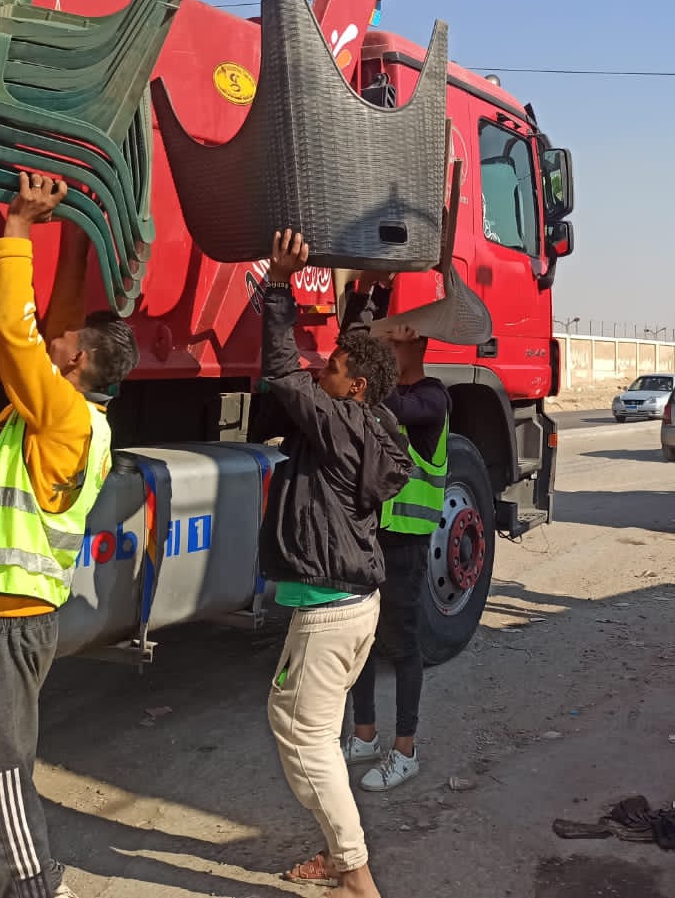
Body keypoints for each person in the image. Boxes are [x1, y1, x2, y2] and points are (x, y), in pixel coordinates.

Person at [0, 172, 139, 898]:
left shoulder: (60, 415)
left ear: (76, 361)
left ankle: (34, 886)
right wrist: (77, 238)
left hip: (7, 617)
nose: (59, 332)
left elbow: (12, 332)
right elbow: (53, 325)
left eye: (68, 338)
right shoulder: (75, 410)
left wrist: (19, 226)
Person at [258, 231, 408, 897]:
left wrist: (279, 285)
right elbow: (346, 358)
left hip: (328, 610)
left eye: (336, 364)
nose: (325, 366)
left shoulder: (338, 423)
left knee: (303, 735)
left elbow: (283, 371)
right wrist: (367, 297)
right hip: (351, 605)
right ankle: (337, 849)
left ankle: (356, 874)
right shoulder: (370, 424)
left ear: (356, 386)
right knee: (310, 726)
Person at [340, 275, 452, 792]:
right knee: (361, 641)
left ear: (415, 345)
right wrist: (368, 301)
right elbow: (355, 366)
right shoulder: (388, 395)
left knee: (401, 646)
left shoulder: (432, 398)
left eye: (392, 345)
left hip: (405, 542)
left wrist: (378, 361)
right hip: (369, 536)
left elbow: (394, 406)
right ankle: (363, 736)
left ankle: (405, 750)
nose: (382, 353)